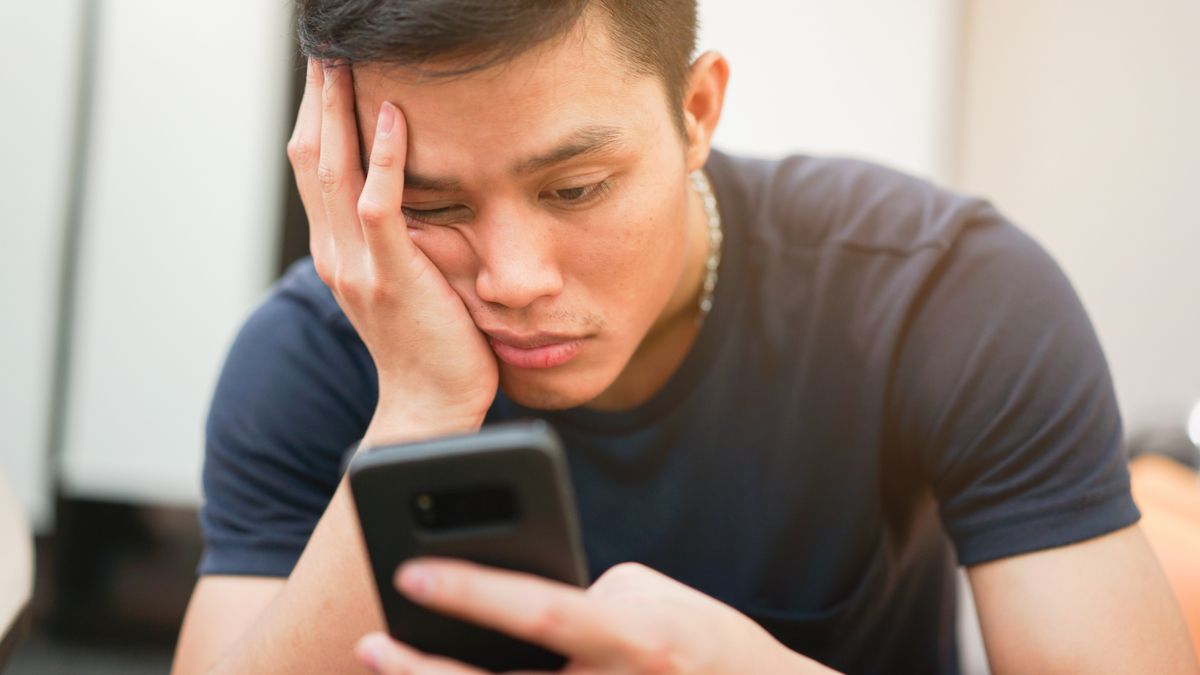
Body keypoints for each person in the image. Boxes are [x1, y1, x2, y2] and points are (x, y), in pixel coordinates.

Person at [171, 1, 1198, 673]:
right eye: (430, 207)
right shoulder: (309, 355)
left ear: (697, 110)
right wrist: (420, 412)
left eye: (574, 187)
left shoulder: (945, 295)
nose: (515, 280)